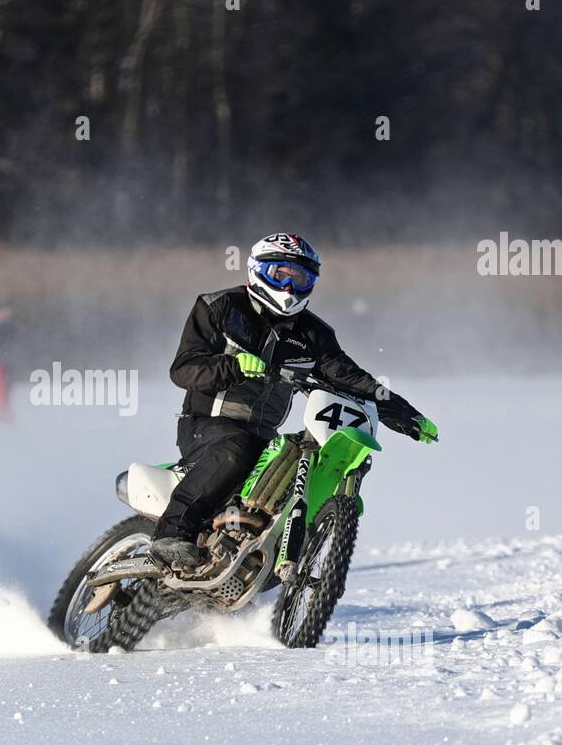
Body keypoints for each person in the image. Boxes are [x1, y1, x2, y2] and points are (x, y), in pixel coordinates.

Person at [149, 232, 439, 571]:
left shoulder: (312, 333)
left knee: (293, 462)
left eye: (298, 278)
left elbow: (350, 377)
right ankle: (171, 532)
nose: (288, 287)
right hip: (206, 423)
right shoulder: (220, 307)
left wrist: (402, 412)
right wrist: (232, 366)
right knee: (234, 450)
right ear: (257, 270)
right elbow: (183, 369)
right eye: (279, 274)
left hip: (263, 433)